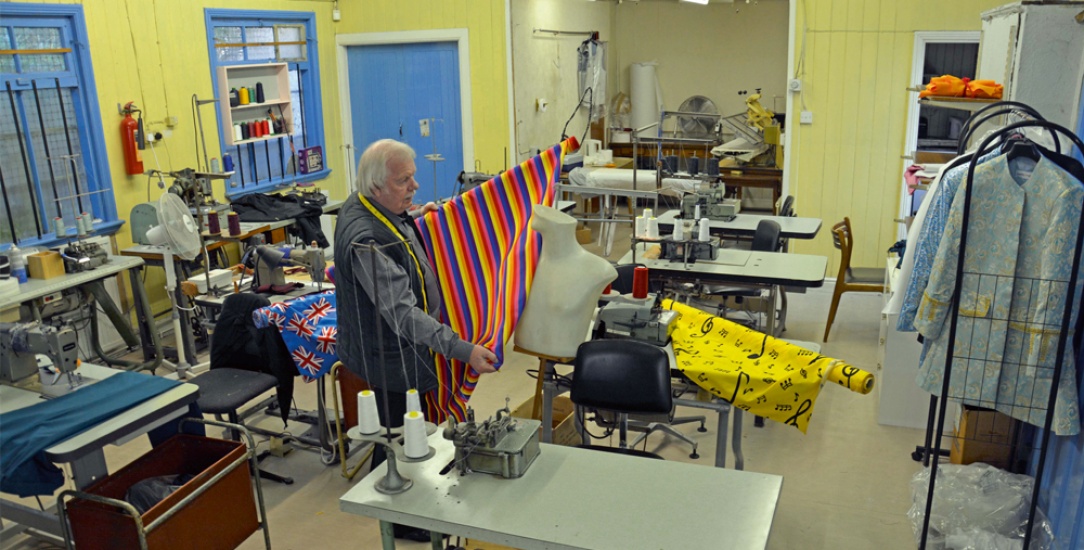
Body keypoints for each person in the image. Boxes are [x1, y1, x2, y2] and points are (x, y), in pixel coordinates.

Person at [335, 139, 497, 542]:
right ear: (376, 186)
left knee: (398, 429)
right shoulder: (366, 240)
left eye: (413, 177)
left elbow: (395, 231)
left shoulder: (370, 209)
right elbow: (403, 315)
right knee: (394, 434)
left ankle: (398, 504)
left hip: (392, 350)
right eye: (404, 180)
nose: (415, 187)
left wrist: (415, 220)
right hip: (388, 353)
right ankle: (399, 519)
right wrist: (463, 350)